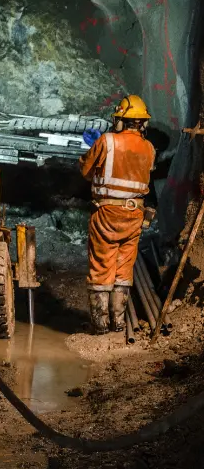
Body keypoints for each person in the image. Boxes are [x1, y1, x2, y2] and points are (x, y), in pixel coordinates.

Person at [79, 95, 156, 334]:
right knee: (124, 266)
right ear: (142, 123)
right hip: (135, 214)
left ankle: (100, 323)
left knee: (102, 263)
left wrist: (90, 154)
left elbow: (86, 171)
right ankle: (119, 321)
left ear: (120, 120)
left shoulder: (107, 141)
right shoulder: (149, 148)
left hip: (108, 213)